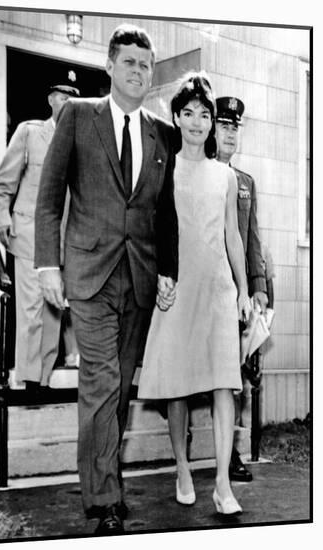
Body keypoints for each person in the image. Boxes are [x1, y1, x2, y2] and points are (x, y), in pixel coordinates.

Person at [34, 24, 178, 535]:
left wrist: (167, 270)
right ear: (111, 66)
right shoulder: (77, 116)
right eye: (130, 62)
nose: (139, 72)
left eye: (146, 64)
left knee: (117, 391)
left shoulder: (163, 134)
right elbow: (49, 197)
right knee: (101, 383)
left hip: (137, 278)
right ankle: (103, 501)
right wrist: (47, 265)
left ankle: (105, 477)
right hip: (89, 273)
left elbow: (164, 212)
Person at [138, 72, 251, 515]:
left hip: (219, 289)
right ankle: (183, 468)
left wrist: (243, 290)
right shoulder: (164, 169)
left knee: (226, 383)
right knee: (179, 387)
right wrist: (161, 277)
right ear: (177, 118)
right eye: (189, 114)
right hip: (179, 290)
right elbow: (151, 230)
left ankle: (222, 484)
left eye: (205, 115)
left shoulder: (224, 176)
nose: (198, 123)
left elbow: (233, 236)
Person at [0, 81, 80, 390]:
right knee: (31, 311)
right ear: (51, 99)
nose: (68, 102)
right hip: (29, 234)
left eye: (73, 97)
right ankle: (28, 381)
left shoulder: (78, 140)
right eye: (62, 96)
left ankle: (41, 381)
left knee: (53, 313)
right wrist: (2, 219)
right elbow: (4, 182)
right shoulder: (29, 133)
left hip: (60, 242)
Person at [215, 96, 268, 481]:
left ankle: (232, 453)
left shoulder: (245, 182)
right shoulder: (192, 172)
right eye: (223, 125)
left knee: (236, 380)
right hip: (200, 293)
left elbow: (251, 241)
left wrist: (258, 287)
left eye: (235, 127)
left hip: (235, 299)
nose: (230, 133)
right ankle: (184, 447)